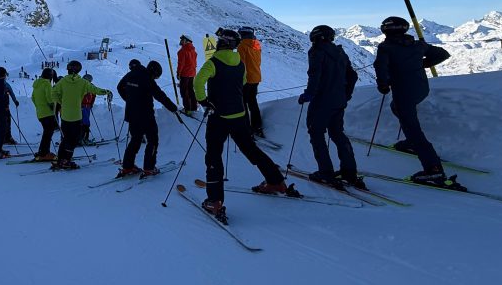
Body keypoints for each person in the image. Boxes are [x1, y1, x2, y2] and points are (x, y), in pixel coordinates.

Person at [194, 29, 294, 222]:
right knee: (251, 149)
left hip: (219, 117)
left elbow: (198, 82)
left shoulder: (213, 63)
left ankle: (214, 201)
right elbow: (244, 81)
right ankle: (276, 181)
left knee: (214, 155)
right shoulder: (239, 62)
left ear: (221, 43)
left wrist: (204, 101)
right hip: (239, 115)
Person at [373, 16, 452, 184]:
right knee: (397, 108)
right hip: (421, 89)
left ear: (387, 30)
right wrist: (423, 64)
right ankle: (411, 143)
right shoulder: (417, 45)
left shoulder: (386, 47)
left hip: (404, 93)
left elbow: (381, 67)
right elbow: (443, 54)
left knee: (413, 129)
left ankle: (434, 170)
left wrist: (383, 85)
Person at [298, 25, 363, 188]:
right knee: (337, 133)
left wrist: (308, 95)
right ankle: (349, 171)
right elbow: (353, 75)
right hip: (339, 100)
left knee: (316, 133)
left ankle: (325, 172)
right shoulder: (340, 52)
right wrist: (345, 95)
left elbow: (315, 75)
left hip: (322, 101)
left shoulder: (317, 52)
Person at [117, 60, 179, 176]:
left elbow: (119, 87)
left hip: (131, 113)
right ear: (153, 72)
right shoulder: (147, 79)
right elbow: (160, 95)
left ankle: (127, 167)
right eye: (156, 76)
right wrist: (173, 108)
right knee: (153, 140)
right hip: (145, 115)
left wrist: (129, 100)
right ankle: (149, 168)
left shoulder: (131, 74)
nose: (155, 78)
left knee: (135, 139)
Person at [50, 60, 112, 169]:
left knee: (66, 138)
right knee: (73, 139)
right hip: (76, 116)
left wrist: (62, 102)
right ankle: (66, 161)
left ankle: (60, 159)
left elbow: (53, 92)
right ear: (79, 70)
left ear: (68, 70)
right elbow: (95, 90)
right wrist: (106, 91)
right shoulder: (83, 83)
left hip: (65, 115)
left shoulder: (63, 81)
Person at [237, 27, 264, 137]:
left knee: (243, 104)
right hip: (256, 78)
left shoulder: (242, 46)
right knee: (253, 103)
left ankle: (246, 129)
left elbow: (241, 64)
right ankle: (257, 126)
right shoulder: (257, 45)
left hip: (246, 79)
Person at [31, 68, 59, 162]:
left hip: (40, 113)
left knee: (46, 133)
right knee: (48, 133)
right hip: (48, 113)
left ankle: (42, 151)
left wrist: (39, 107)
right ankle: (44, 153)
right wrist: (52, 105)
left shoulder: (37, 85)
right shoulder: (46, 84)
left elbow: (33, 98)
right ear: (50, 76)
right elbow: (49, 97)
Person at [177, 35, 198, 114]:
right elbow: (194, 63)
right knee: (191, 91)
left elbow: (181, 64)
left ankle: (187, 109)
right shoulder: (193, 51)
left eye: (182, 39)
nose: (181, 41)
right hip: (192, 73)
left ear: (186, 41)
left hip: (185, 74)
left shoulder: (183, 51)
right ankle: (194, 108)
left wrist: (178, 73)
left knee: (184, 92)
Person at [81, 74, 97, 143]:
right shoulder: (80, 86)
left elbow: (94, 96)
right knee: (84, 122)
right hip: (82, 106)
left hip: (88, 106)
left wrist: (91, 104)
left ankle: (84, 138)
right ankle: (82, 138)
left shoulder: (92, 86)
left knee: (86, 122)